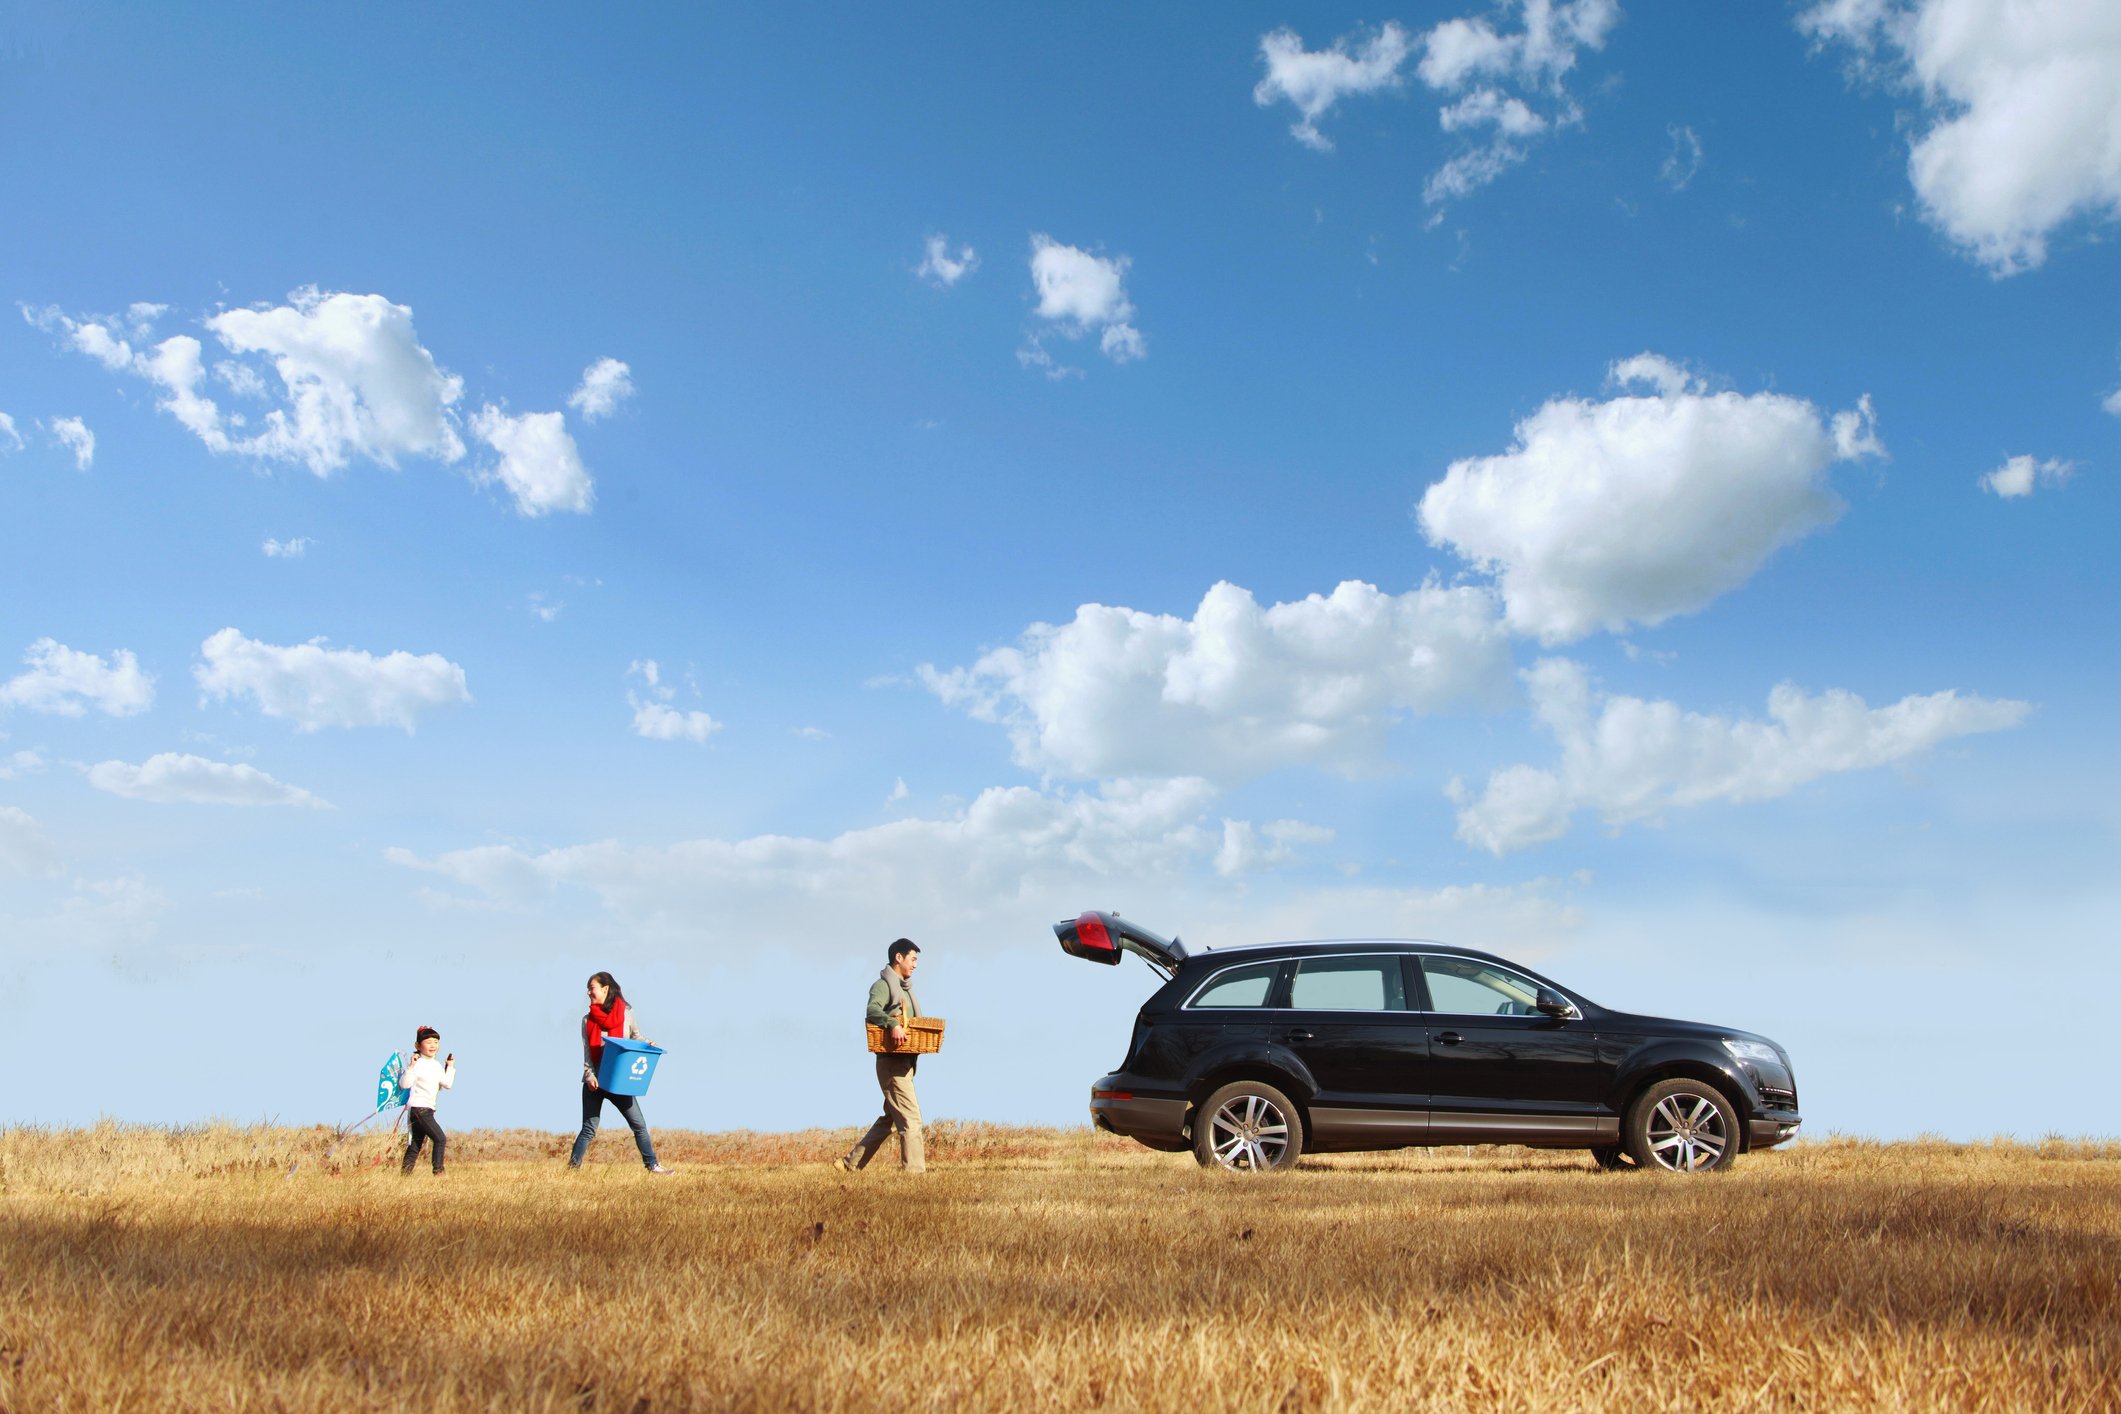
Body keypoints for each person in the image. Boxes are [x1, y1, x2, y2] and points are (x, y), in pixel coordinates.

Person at [569, 971, 673, 1174]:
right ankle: (572, 1169)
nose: (588, 992)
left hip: (619, 1080)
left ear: (605, 989)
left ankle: (652, 1165)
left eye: (592, 988)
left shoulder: (626, 1013)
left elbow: (635, 1036)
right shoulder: (587, 1020)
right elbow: (588, 1054)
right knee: (589, 1129)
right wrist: (590, 1076)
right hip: (596, 1082)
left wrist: (647, 1044)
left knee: (639, 1125)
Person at [837, 938, 925, 1174]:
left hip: (904, 1062)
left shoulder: (905, 989)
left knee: (891, 1120)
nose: (916, 965)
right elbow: (873, 1010)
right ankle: (915, 1174)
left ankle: (850, 1163)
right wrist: (892, 1025)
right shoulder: (883, 985)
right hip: (891, 1063)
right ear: (899, 958)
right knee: (911, 1121)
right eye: (913, 959)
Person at [400, 1026, 455, 1176]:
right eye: (428, 1042)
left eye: (436, 1042)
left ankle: (404, 1177)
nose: (433, 1045)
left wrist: (450, 1067)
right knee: (440, 1138)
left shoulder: (436, 1065)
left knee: (416, 1145)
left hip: (428, 1109)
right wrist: (411, 1066)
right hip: (418, 1109)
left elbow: (447, 1084)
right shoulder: (417, 1064)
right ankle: (438, 1172)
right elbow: (404, 1084)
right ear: (418, 1045)